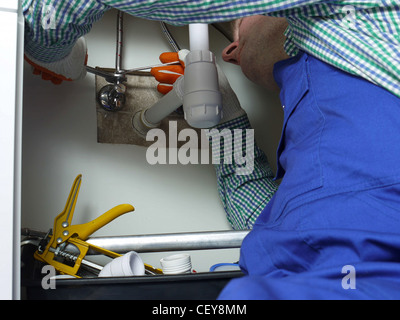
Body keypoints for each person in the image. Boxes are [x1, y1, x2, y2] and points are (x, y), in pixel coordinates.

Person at [24, 1, 400, 299]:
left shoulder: (374, 18)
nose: (230, 50)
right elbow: (260, 221)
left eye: (240, 21)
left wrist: (50, 50)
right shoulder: (321, 124)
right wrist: (227, 117)